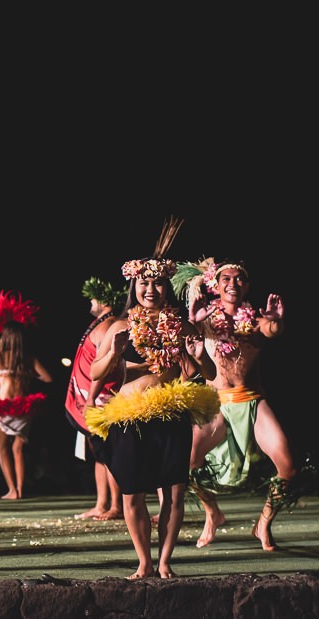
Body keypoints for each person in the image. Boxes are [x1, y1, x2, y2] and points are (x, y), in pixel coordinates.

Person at [86, 219, 219, 579]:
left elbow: (205, 375)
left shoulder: (182, 325)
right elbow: (97, 373)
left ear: (166, 287)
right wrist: (113, 353)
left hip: (170, 415)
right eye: (143, 282)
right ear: (135, 285)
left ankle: (164, 562)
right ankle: (144, 560)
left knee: (174, 494)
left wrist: (196, 354)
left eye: (157, 282)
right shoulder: (120, 325)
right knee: (131, 494)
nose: (150, 289)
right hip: (131, 417)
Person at [174, 257, 299, 551]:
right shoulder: (204, 319)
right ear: (215, 285)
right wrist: (192, 322)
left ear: (247, 286)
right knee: (186, 464)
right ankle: (213, 513)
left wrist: (276, 321)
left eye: (239, 279)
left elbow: (271, 331)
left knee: (288, 466)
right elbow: (184, 342)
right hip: (216, 403)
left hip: (252, 400)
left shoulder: (256, 320)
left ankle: (263, 523)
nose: (233, 284)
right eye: (226, 279)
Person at [0, 291, 55, 500]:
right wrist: (27, 375)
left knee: (3, 449)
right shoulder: (27, 358)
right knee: (18, 448)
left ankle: (12, 490)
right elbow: (48, 378)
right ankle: (20, 488)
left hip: (1, 407)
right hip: (22, 409)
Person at [65, 277, 126, 521]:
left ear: (103, 299)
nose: (90, 302)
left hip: (102, 399)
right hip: (94, 397)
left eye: (93, 298)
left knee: (108, 454)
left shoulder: (108, 325)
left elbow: (108, 364)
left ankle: (116, 506)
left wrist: (90, 397)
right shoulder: (99, 323)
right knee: (99, 454)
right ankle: (101, 504)